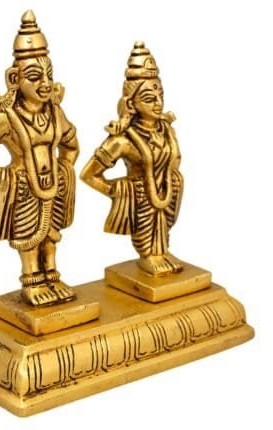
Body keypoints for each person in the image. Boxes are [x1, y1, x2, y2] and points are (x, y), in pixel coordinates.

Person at [0, 11, 79, 306]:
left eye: (49, 75)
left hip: (53, 185)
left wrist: (64, 168)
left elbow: (72, 145)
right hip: (24, 186)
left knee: (51, 235)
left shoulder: (55, 112)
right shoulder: (5, 117)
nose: (45, 84)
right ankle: (32, 281)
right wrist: (4, 181)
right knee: (28, 238)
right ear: (14, 78)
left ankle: (52, 276)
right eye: (35, 77)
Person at [81, 41, 183, 276]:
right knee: (147, 223)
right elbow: (88, 174)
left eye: (160, 95)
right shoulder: (122, 140)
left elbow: (175, 162)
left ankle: (162, 251)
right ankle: (149, 254)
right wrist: (120, 191)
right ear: (131, 103)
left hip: (165, 194)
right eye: (149, 98)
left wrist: (169, 176)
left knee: (163, 222)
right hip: (141, 198)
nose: (158, 103)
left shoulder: (167, 131)